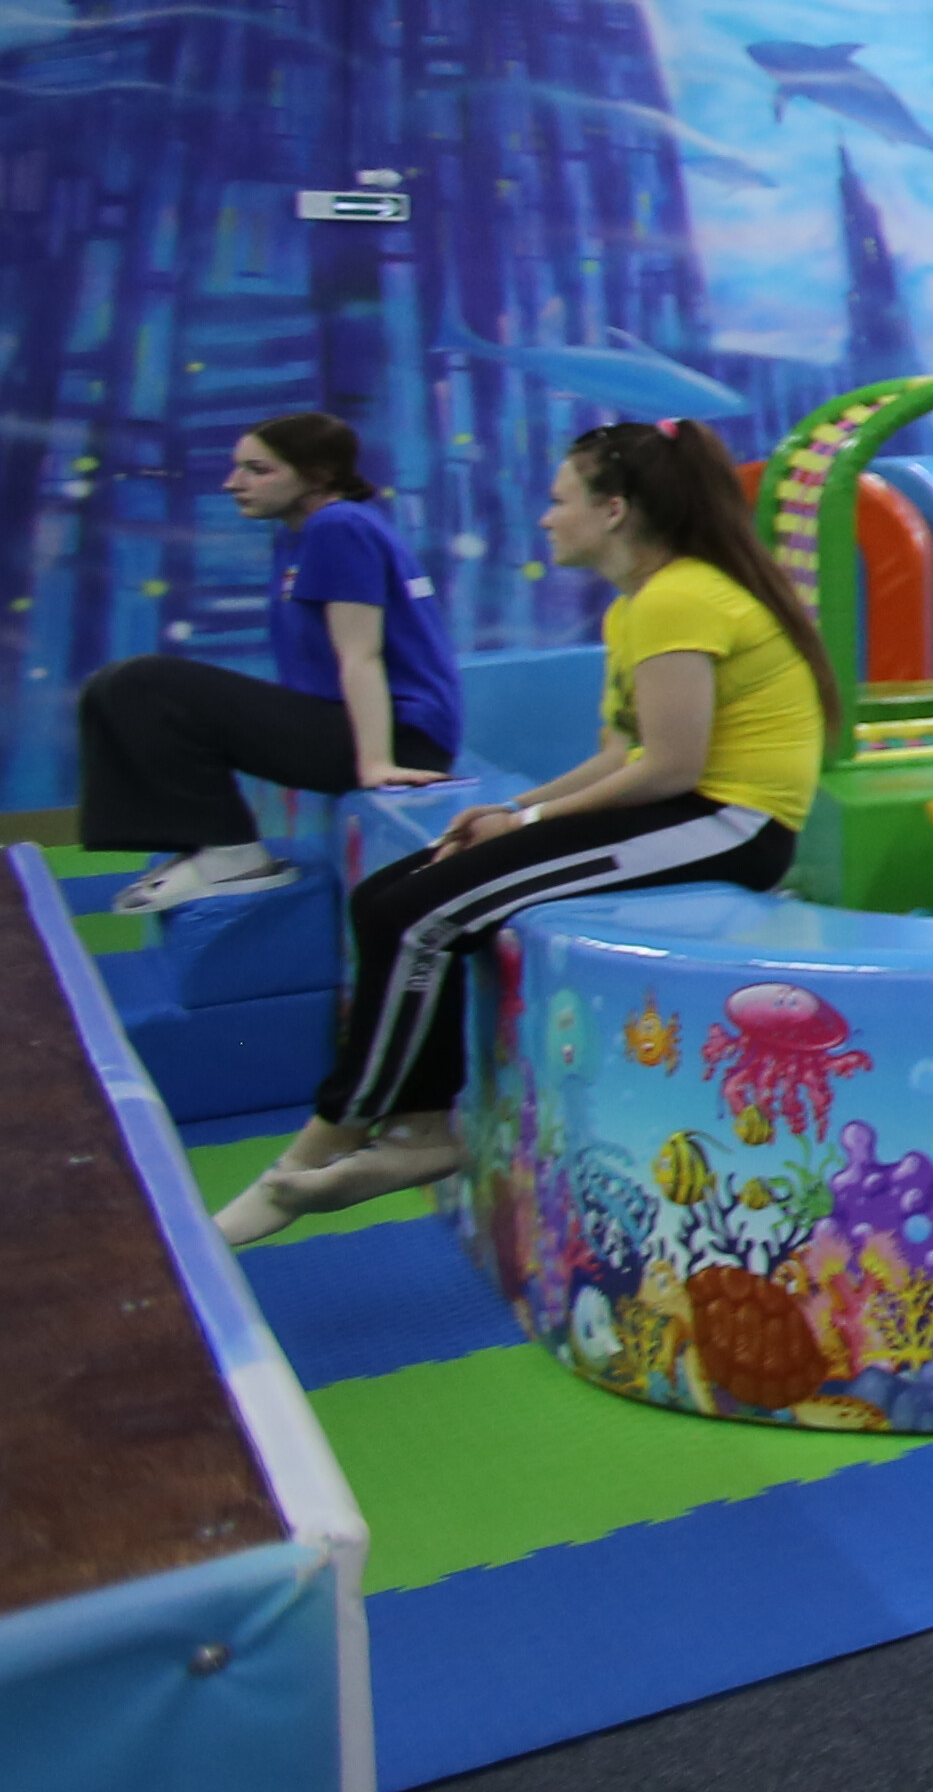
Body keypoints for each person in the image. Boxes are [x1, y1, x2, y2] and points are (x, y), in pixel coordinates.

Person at [216, 423, 827, 1242]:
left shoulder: (681, 597)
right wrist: (515, 810)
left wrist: (532, 819)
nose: (545, 518)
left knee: (423, 918)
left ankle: (328, 1139)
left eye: (558, 500)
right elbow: (620, 754)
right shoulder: (639, 605)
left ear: (613, 510)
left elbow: (671, 768)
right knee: (385, 896)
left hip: (727, 825)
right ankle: (420, 1124)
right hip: (682, 809)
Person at [86, 410, 461, 911]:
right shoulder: (299, 531)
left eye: (258, 470)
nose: (232, 483)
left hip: (396, 738)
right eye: (237, 467)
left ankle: (231, 853)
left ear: (319, 475)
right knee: (108, 686)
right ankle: (203, 846)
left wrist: (376, 764)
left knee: (143, 682)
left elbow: (362, 654)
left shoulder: (339, 526)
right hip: (350, 725)